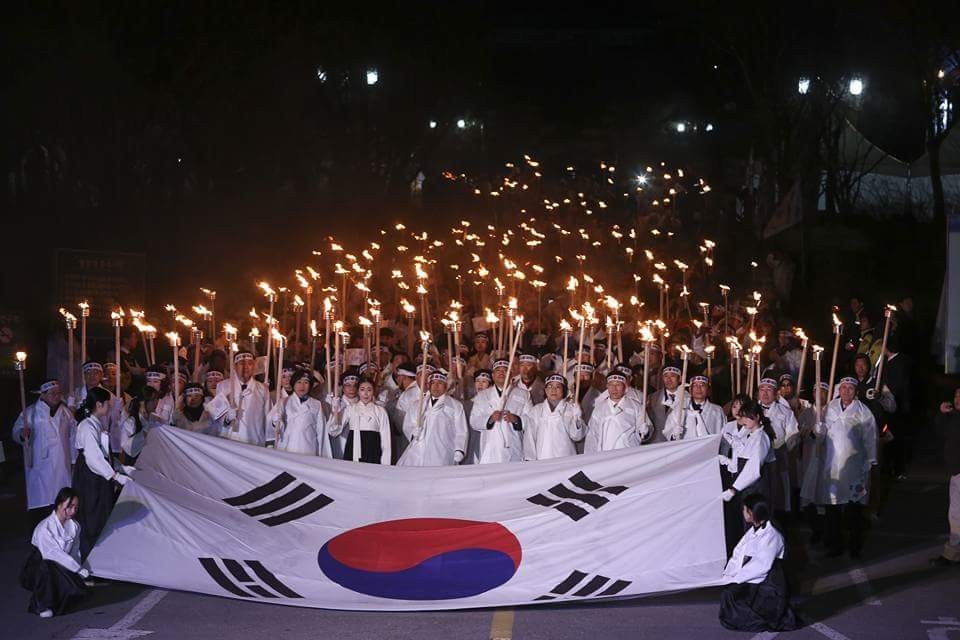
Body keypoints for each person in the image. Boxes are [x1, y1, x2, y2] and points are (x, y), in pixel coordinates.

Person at [812, 377, 878, 558]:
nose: (847, 391)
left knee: (854, 508)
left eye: (851, 388)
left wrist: (871, 460)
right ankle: (834, 545)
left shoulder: (863, 411)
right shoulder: (829, 408)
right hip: (832, 466)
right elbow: (821, 433)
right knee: (833, 509)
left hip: (855, 467)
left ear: (856, 392)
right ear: (838, 390)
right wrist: (818, 430)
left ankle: (854, 546)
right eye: (844, 388)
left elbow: (870, 437)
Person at [718, 493, 799, 632]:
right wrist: (728, 574)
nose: (743, 512)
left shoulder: (772, 533)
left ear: (751, 512)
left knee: (733, 596)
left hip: (771, 583)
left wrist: (738, 578)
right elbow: (738, 553)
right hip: (757, 576)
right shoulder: (754, 529)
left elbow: (762, 565)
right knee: (729, 594)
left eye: (744, 509)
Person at [72, 387, 133, 559]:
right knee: (92, 515)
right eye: (108, 403)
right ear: (99, 405)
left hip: (99, 473)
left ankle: (101, 559)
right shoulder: (86, 426)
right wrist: (114, 476)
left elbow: (104, 454)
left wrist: (122, 468)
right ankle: (89, 561)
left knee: (102, 515)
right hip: (91, 476)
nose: (110, 406)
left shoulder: (96, 423)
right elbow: (93, 457)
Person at [19, 487, 90, 618]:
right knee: (47, 568)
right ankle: (41, 605)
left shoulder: (74, 526)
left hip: (60, 564)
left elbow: (75, 551)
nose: (73, 510)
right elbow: (53, 554)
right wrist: (78, 570)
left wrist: (78, 574)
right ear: (59, 504)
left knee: (79, 592)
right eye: (69, 506)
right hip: (38, 565)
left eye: (76, 507)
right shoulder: (44, 528)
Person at [12, 379, 76, 518]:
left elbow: (73, 437)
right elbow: (16, 431)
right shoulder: (30, 412)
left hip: (61, 464)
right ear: (42, 395)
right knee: (42, 502)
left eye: (58, 393)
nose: (56, 396)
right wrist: (21, 435)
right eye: (52, 393)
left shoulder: (66, 413)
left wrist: (74, 459)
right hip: (39, 465)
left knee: (62, 501)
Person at [719, 398, 775, 555]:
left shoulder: (761, 438)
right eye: (741, 416)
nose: (742, 420)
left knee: (755, 526)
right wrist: (727, 461)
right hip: (747, 489)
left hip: (755, 489)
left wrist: (734, 489)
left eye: (746, 416)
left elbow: (753, 469)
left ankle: (755, 561)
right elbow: (742, 459)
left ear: (757, 416)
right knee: (746, 526)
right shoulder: (750, 435)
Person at [398, 371, 468, 466]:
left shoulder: (455, 405)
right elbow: (408, 425)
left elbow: (461, 431)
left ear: (446, 386)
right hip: (418, 451)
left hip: (442, 451)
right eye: (433, 383)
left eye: (440, 383)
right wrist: (413, 432)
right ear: (428, 385)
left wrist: (459, 449)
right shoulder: (418, 405)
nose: (435, 386)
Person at [470, 358, 531, 463]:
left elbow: (531, 420)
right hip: (490, 449)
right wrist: (490, 419)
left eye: (505, 370)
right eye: (498, 370)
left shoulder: (524, 394)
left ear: (511, 374)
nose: (502, 373)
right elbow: (474, 421)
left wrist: (516, 419)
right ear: (493, 375)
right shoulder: (482, 396)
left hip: (514, 447)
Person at [207, 351, 271, 446]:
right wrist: (227, 419)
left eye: (250, 363)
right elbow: (215, 417)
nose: (246, 367)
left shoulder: (263, 389)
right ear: (235, 366)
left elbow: (268, 416)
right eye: (241, 363)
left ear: (254, 366)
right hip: (231, 441)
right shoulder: (223, 386)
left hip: (255, 441)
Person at [270, 369, 331, 457]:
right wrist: (276, 421)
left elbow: (321, 432)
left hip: (308, 449)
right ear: (293, 384)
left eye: (306, 382)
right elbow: (273, 427)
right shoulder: (283, 402)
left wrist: (323, 455)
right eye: (299, 382)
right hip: (288, 448)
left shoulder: (316, 404)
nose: (302, 386)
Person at [584, 371, 650, 453]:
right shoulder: (599, 409)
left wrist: (645, 432)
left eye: (618, 384)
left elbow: (646, 431)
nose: (614, 388)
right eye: (611, 385)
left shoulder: (636, 406)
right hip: (605, 453)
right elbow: (592, 436)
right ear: (607, 386)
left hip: (629, 453)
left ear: (624, 386)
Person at [523, 374, 584, 460]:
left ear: (564, 390)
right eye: (550, 386)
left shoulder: (570, 409)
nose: (553, 390)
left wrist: (577, 418)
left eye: (558, 387)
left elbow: (577, 436)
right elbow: (529, 437)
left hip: (566, 458)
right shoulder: (536, 410)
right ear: (545, 390)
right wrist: (530, 459)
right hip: (542, 458)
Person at [931, 387, 960, 566]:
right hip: (955, 472)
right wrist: (941, 414)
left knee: (956, 513)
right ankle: (953, 553)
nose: (957, 399)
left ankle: (952, 553)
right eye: (956, 395)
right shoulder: (954, 416)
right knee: (956, 514)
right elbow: (941, 433)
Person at [329, 379, 391, 464]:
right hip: (353, 449)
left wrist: (385, 463)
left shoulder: (380, 411)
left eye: (369, 390)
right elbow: (334, 431)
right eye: (362, 389)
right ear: (358, 391)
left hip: (373, 450)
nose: (365, 393)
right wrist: (335, 411)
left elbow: (386, 440)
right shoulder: (350, 409)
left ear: (374, 391)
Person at [663, 375, 725, 440]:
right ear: (690, 390)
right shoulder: (679, 411)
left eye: (702, 385)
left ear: (708, 390)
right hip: (687, 449)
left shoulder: (717, 411)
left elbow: (723, 433)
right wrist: (674, 435)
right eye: (695, 385)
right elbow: (667, 432)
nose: (698, 388)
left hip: (709, 448)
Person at [119, 386, 163, 464]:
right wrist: (145, 430)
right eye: (153, 400)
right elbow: (128, 449)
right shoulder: (131, 422)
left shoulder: (156, 420)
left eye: (157, 399)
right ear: (143, 402)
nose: (156, 402)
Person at [646, 364, 682, 442]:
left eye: (672, 376)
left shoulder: (688, 399)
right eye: (666, 376)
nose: (668, 380)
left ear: (680, 379)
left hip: (678, 445)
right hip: (656, 444)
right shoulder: (652, 397)